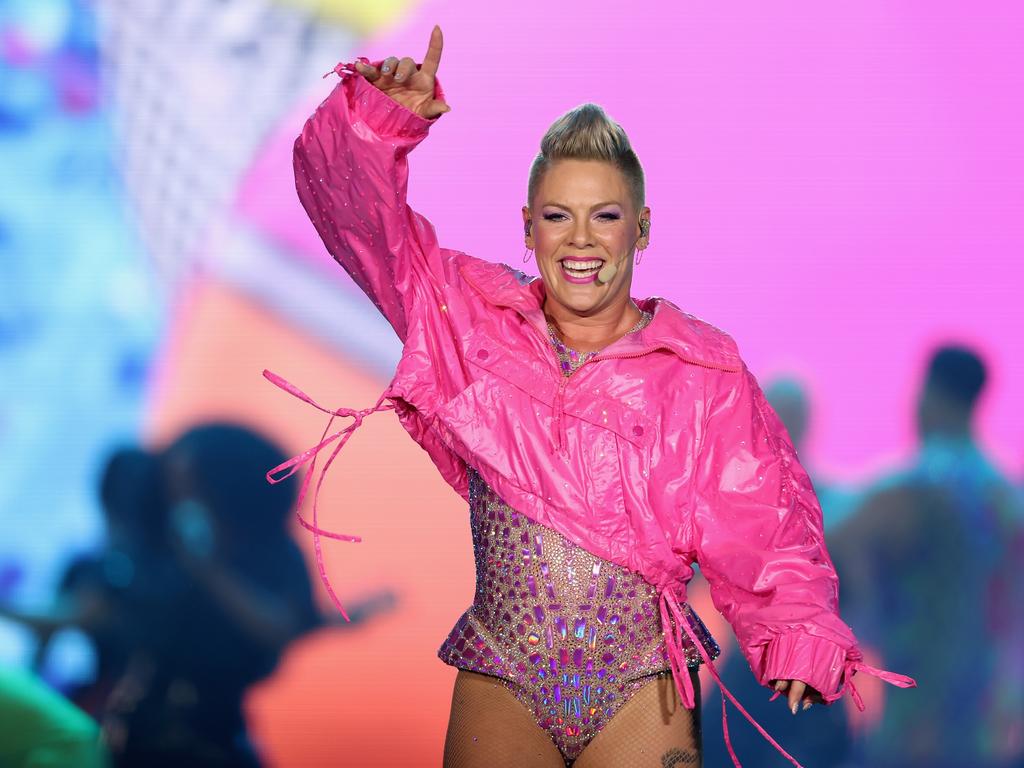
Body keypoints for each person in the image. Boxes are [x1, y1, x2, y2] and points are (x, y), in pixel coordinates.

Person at [271, 25, 914, 767]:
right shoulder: (465, 319)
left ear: (640, 228)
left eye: (605, 215)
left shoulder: (702, 371)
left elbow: (765, 514)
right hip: (503, 674)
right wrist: (376, 122)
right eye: (558, 215)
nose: (582, 239)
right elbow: (361, 228)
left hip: (642, 684)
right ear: (528, 228)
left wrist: (796, 632)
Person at [833, 346, 1023, 768]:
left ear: (929, 396)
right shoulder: (1009, 498)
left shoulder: (911, 487)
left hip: (915, 728)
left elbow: (822, 550)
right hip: (991, 728)